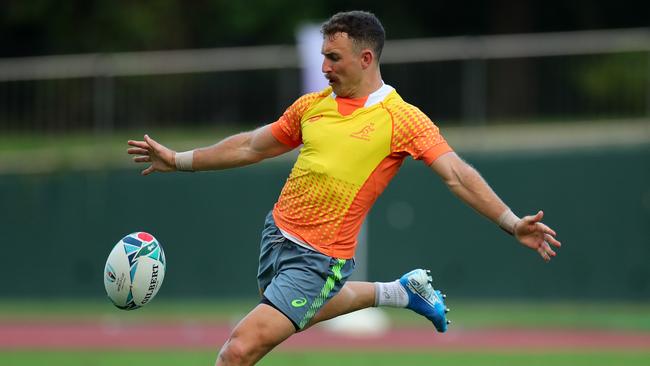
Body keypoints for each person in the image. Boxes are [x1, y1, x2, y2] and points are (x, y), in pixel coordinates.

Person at [127, 11, 561, 366]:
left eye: (333, 58)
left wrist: (510, 222)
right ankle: (399, 291)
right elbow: (250, 146)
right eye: (322, 56)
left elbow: (457, 174)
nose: (324, 67)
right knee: (304, 309)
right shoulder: (312, 106)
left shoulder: (401, 118)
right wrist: (179, 160)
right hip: (274, 237)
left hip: (319, 258)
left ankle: (397, 292)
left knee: (237, 351)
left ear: (366, 58)